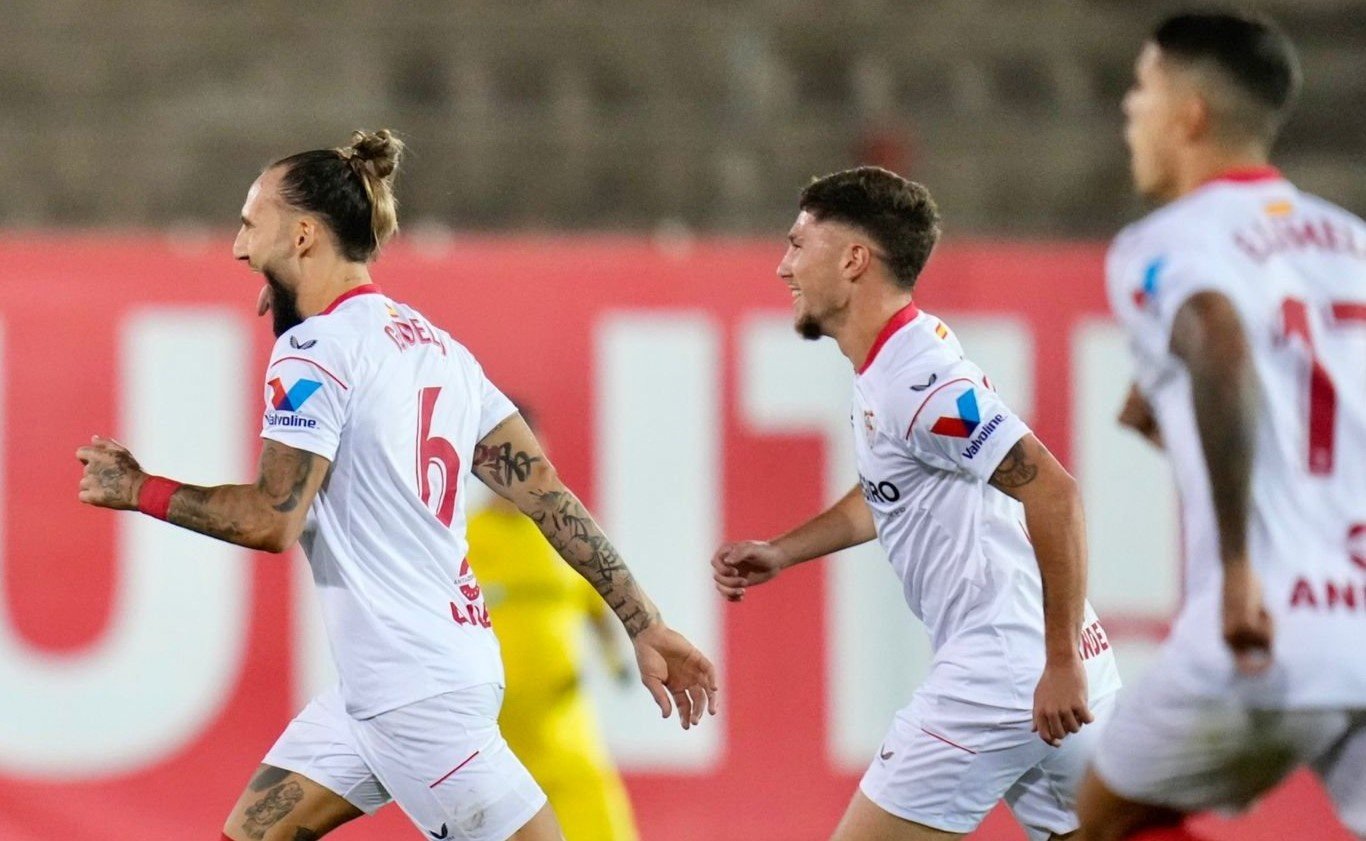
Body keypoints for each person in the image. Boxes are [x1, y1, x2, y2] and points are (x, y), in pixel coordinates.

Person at [75, 129, 718, 841]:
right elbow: (547, 494)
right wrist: (643, 619)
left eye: (249, 225)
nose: (237, 247)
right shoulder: (435, 347)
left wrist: (140, 489)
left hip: (416, 699)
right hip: (395, 688)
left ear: (304, 234)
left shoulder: (315, 351)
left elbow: (270, 519)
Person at [711, 166, 1121, 841]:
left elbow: (1056, 491)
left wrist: (1058, 662)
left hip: (1007, 666)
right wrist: (783, 550)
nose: (783, 267)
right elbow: (889, 493)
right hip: (1050, 656)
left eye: (796, 245)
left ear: (853, 260)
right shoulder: (898, 358)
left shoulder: (917, 381)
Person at [1076, 12, 1366, 841]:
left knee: (1099, 821)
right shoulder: (1352, 242)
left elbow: (1218, 333)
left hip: (1266, 622)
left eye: (1142, 90)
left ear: (1189, 115)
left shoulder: (1163, 242)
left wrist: (1239, 566)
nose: (1130, 111)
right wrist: (1166, 401)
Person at [466, 405, 640, 841]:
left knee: (601, 826)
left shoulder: (564, 535)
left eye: (530, 448)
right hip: (495, 733)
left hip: (562, 722)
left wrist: (617, 659)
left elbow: (595, 605)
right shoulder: (464, 537)